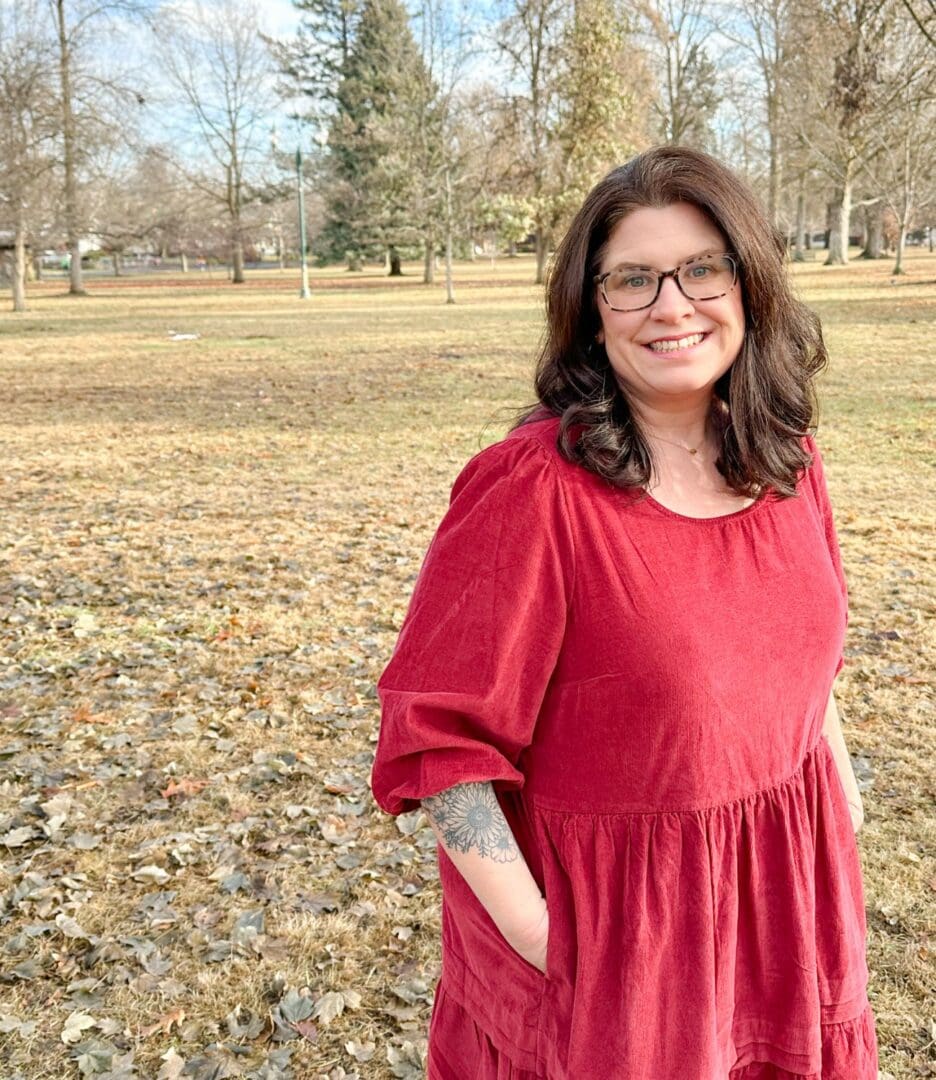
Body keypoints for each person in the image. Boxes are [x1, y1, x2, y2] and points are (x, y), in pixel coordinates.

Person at [369, 146, 879, 1079]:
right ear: (591, 312)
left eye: (702, 269)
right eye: (632, 280)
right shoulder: (533, 493)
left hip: (784, 909)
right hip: (621, 954)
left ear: (750, 285)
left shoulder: (787, 461)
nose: (671, 306)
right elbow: (440, 748)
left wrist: (836, 800)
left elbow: (805, 655)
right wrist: (547, 940)